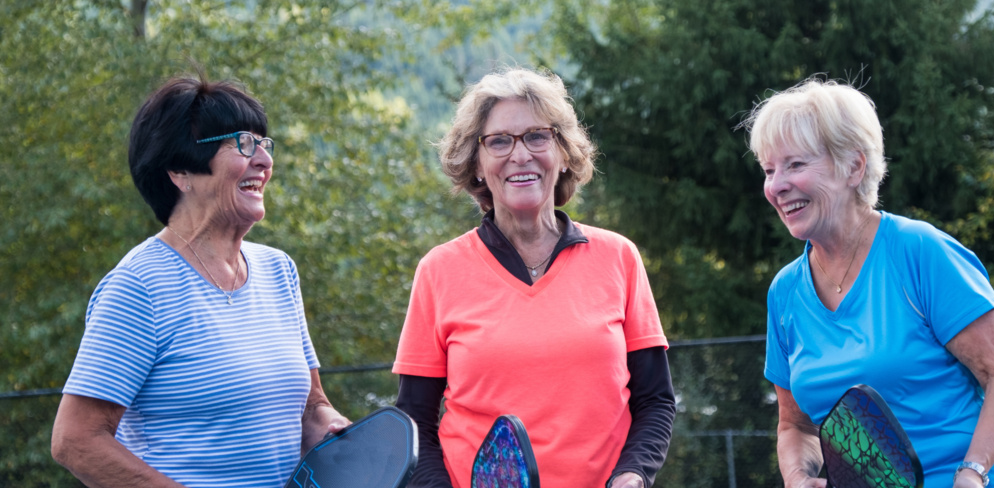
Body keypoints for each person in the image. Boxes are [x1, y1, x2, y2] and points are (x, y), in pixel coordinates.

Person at [51, 76, 349, 487]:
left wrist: (344, 435)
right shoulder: (139, 287)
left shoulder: (279, 271)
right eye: (245, 144)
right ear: (180, 170)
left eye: (265, 144)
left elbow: (311, 407)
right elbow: (75, 440)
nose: (263, 160)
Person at [392, 67, 676, 488]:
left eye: (537, 136)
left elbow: (656, 401)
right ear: (476, 164)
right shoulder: (439, 270)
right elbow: (414, 420)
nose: (520, 155)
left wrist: (632, 475)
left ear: (563, 154)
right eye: (499, 141)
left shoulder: (619, 257)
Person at [741, 78, 994, 488]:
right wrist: (797, 478)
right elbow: (795, 426)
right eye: (770, 170)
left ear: (854, 167)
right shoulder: (785, 292)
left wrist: (972, 473)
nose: (777, 185)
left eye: (796, 165)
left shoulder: (920, 251)